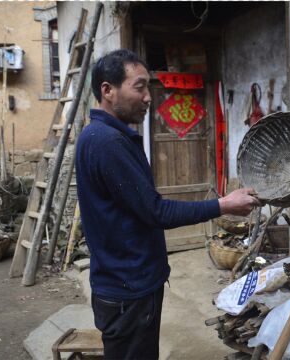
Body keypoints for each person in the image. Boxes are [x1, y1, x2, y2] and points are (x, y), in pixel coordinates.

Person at [75, 49, 260, 359]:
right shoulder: (107, 142)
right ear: (108, 90)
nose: (149, 97)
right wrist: (223, 205)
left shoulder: (98, 135)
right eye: (139, 87)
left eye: (149, 87)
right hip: (129, 290)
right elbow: (155, 211)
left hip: (123, 283)